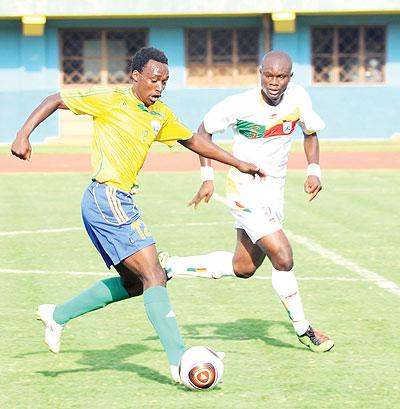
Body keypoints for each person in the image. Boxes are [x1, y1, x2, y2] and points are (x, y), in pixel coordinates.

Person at [10, 47, 266, 382]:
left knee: (135, 283)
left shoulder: (159, 114)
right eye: (154, 79)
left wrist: (237, 162)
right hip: (107, 196)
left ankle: (57, 315)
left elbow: (192, 141)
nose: (159, 86)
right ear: (136, 76)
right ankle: (178, 361)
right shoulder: (111, 99)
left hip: (118, 200)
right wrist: (22, 134)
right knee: (155, 276)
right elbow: (56, 98)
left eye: (165, 81)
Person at [161, 50, 335, 352]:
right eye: (268, 75)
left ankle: (172, 266)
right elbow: (202, 133)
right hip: (244, 189)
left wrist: (314, 170)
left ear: (290, 77)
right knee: (284, 256)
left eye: (281, 76)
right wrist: (207, 177)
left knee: (243, 267)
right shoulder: (239, 104)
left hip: (273, 194)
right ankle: (304, 329)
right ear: (260, 73)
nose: (274, 82)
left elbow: (310, 133)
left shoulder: (299, 98)